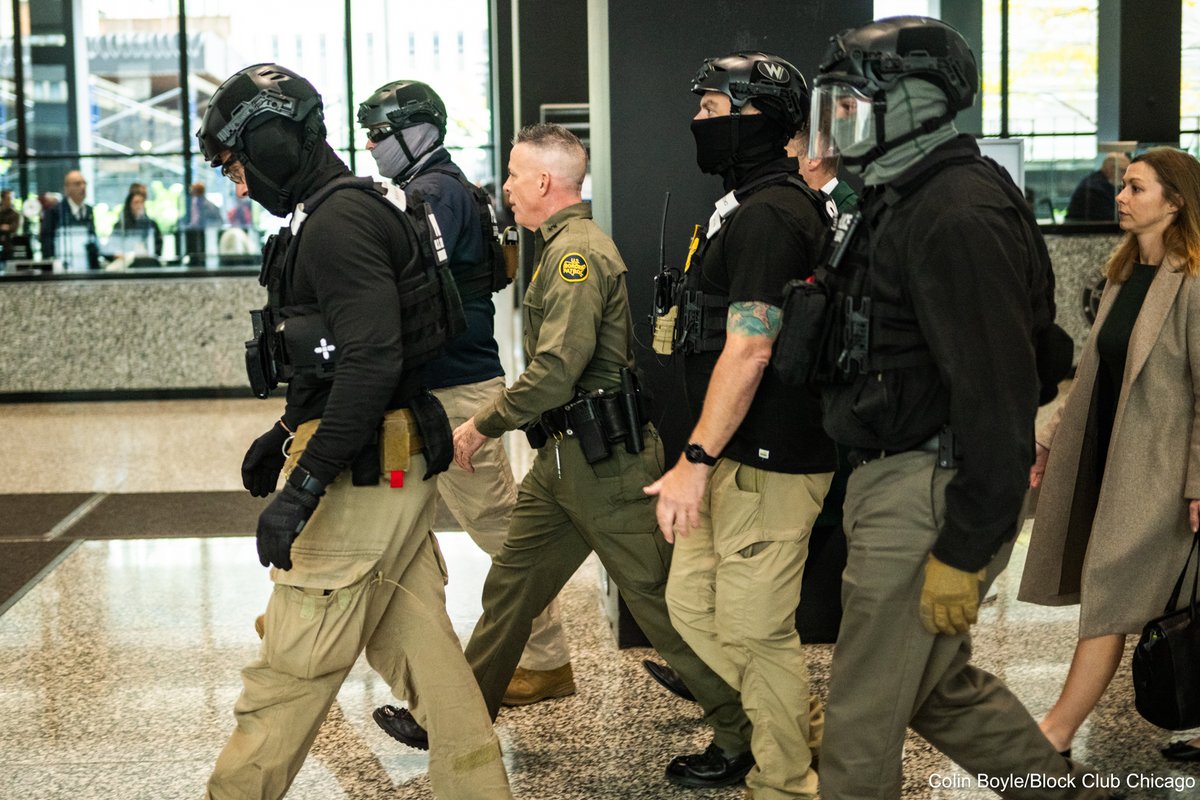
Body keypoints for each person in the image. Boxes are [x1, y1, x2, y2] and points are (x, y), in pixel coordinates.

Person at [373, 123, 756, 790]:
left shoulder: (577, 255)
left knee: (662, 608)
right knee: (509, 592)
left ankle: (741, 732)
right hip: (560, 465)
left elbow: (555, 370)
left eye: (517, 177)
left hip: (605, 467)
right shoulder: (557, 248)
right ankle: (457, 720)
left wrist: (478, 427)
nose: (508, 190)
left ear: (545, 183)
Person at [809, 17, 1116, 799]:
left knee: (860, 720)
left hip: (929, 490)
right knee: (935, 689)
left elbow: (998, 394)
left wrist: (964, 544)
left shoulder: (953, 210)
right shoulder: (909, 196)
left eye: (852, 105)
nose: (838, 125)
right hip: (905, 478)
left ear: (911, 104)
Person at [197, 62, 510, 800]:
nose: (236, 183)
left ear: (272, 142)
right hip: (394, 455)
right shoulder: (353, 206)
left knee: (292, 665)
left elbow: (370, 363)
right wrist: (285, 430)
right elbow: (351, 356)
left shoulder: (337, 222)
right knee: (425, 652)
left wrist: (301, 489)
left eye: (237, 162)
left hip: (366, 470)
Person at [643, 51, 835, 800]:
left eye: (714, 110)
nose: (698, 121)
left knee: (758, 631)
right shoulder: (744, 208)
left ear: (760, 121)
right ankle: (807, 729)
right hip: (728, 454)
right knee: (692, 604)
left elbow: (751, 348)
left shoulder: (771, 216)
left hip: (767, 459)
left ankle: (787, 784)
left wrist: (695, 457)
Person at [359, 79, 574, 713]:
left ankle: (543, 658)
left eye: (379, 133)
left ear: (414, 134)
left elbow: (414, 291)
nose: (371, 145)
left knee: (500, 527)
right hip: (441, 386)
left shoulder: (434, 195)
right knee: (392, 525)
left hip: (456, 391)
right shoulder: (452, 189)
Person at [1020, 147, 1200, 763]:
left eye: (1136, 188)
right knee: (1164, 599)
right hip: (1111, 458)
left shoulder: (1194, 281)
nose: (1120, 198)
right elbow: (1094, 374)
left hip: (1164, 472)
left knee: (1110, 593)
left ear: (1175, 202)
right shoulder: (1123, 273)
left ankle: (1056, 731)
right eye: (1123, 187)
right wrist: (1047, 438)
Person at [39, 169, 99, 270]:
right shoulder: (55, 212)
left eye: (84, 183)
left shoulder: (89, 210)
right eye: (77, 184)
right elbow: (47, 244)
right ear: (67, 189)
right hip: (64, 269)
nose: (83, 187)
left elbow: (92, 239)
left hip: (87, 269)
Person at [1065, 153, 1130, 222]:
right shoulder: (1095, 188)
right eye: (1123, 171)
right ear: (1110, 169)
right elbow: (1111, 218)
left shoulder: (1097, 182)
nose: (1124, 176)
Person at [111, 182, 163, 257]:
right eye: (136, 203)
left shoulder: (151, 225)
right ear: (129, 205)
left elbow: (157, 250)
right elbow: (112, 248)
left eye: (142, 202)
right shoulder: (121, 225)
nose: (139, 206)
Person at [182, 180, 223, 259]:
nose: (192, 193)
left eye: (194, 191)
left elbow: (219, 221)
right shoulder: (192, 205)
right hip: (193, 235)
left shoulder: (211, 207)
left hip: (207, 236)